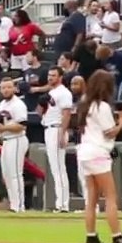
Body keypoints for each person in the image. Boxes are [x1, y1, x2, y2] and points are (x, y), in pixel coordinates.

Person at [73, 69, 122, 243]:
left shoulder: (84, 104)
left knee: (92, 198)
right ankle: (117, 237)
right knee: (110, 196)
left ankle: (91, 236)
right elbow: (110, 132)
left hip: (85, 152)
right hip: (98, 152)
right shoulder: (101, 106)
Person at [0, 77, 29, 213]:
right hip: (7, 140)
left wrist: (2, 129)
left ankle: (19, 206)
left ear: (14, 88)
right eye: (3, 87)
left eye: (9, 87)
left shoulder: (18, 104)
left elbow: (22, 126)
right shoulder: (2, 104)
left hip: (17, 139)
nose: (6, 90)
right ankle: (14, 204)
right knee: (6, 174)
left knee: (15, 174)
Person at [41, 66, 74, 213]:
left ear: (60, 77)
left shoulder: (64, 92)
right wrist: (41, 104)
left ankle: (63, 204)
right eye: (49, 75)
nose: (50, 78)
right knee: (56, 168)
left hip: (57, 129)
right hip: (48, 128)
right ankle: (60, 203)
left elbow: (67, 114)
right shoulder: (51, 92)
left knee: (59, 168)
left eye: (53, 75)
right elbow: (41, 113)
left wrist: (62, 133)